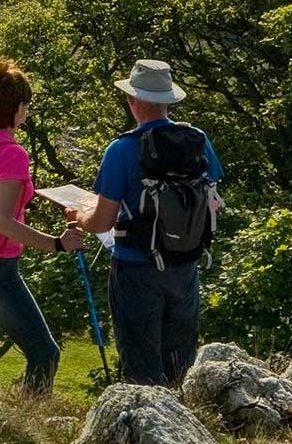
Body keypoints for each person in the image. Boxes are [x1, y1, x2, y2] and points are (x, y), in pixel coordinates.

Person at [69, 59, 223, 386]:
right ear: (168, 100)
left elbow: (102, 221)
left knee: (141, 366)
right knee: (179, 365)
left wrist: (79, 217)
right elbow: (212, 203)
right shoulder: (197, 141)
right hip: (184, 267)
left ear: (132, 100)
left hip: (135, 269)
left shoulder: (122, 149)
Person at [0, 59, 86, 393]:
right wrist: (57, 242)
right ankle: (30, 421)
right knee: (45, 353)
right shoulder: (13, 154)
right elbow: (2, 221)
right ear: (20, 106)